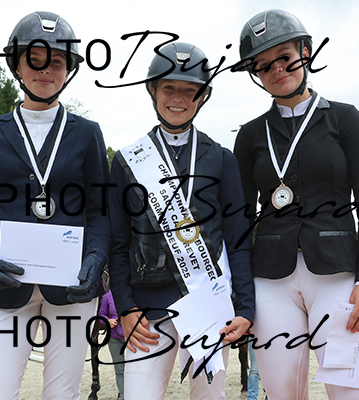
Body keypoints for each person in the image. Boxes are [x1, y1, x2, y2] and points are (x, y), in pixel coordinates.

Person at [0, 11, 110, 400]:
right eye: (35, 60)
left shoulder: (87, 133)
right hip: (4, 285)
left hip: (70, 289)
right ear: (18, 67)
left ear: (68, 70)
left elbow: (101, 213)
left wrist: (95, 259)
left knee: (62, 395)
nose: (45, 70)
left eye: (56, 61)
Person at [234, 9, 359, 400]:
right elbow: (241, 217)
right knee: (282, 392)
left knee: (348, 390)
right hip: (271, 278)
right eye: (264, 65)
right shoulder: (250, 135)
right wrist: (241, 291)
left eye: (284, 57)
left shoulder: (346, 119)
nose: (276, 69)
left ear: (304, 53)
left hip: (337, 274)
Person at [108, 42, 255, 400]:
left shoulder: (222, 159)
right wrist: (125, 306)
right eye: (169, 87)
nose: (178, 98)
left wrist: (246, 307)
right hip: (148, 310)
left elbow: (237, 239)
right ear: (152, 90)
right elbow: (118, 241)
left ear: (202, 97)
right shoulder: (127, 162)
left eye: (190, 90)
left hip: (209, 304)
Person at [98, 290, 125, 400]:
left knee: (135, 368)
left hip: (133, 337)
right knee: (119, 369)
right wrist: (107, 321)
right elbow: (101, 315)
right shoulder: (107, 296)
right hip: (114, 338)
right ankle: (123, 396)